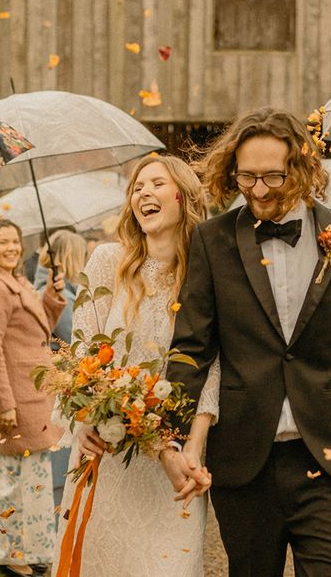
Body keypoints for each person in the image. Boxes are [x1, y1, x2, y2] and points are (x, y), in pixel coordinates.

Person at [164, 108, 331, 576]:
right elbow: (191, 349)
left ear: (300, 170)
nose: (259, 191)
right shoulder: (211, 240)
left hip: (327, 459)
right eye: (247, 178)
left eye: (273, 178)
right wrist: (172, 439)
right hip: (243, 461)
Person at [54, 155, 219, 576]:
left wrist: (193, 449)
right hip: (107, 450)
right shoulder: (109, 262)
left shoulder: (207, 274)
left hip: (176, 459)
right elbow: (82, 353)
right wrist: (86, 419)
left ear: (184, 195)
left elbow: (213, 365)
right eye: (137, 187)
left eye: (157, 184)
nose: (144, 192)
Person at [0, 219, 66, 577]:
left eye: (14, 241)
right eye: (2, 242)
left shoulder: (17, 281)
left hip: (34, 392)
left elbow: (36, 331)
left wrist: (53, 299)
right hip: (15, 398)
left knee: (34, 477)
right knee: (15, 478)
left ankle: (36, 549)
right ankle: (10, 552)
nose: (10, 248)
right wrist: (2, 404)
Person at [32, 229, 89, 517]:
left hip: (53, 380)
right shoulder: (60, 295)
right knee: (61, 459)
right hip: (59, 381)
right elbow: (75, 337)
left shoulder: (47, 288)